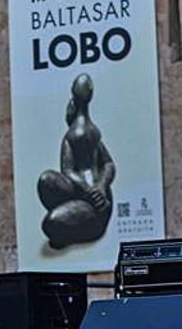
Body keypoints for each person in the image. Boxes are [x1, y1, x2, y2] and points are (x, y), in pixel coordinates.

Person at [38, 73, 115, 249]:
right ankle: (69, 214)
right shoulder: (84, 132)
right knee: (46, 179)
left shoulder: (86, 134)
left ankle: (68, 225)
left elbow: (108, 164)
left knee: (50, 224)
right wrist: (91, 189)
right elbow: (69, 171)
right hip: (87, 196)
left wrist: (100, 187)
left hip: (97, 208)